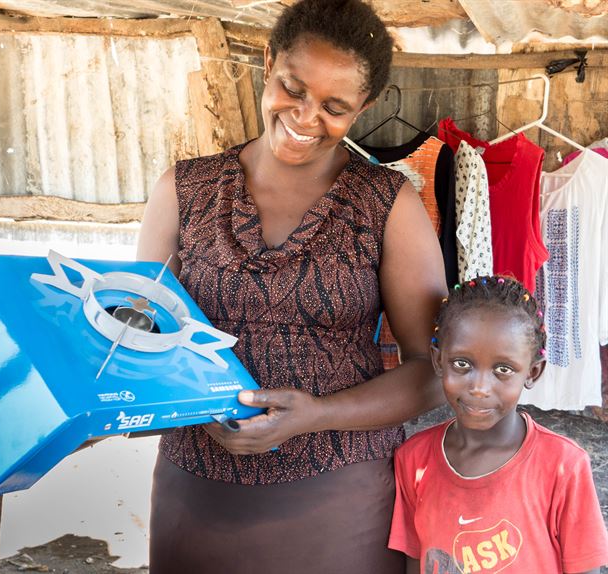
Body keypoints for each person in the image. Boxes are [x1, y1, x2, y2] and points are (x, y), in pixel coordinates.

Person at [137, 1, 447, 572]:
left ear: (365, 107)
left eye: (335, 106)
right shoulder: (183, 190)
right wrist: (190, 407)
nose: (306, 117)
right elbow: (141, 339)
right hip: (198, 490)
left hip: (341, 495)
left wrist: (316, 414)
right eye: (292, 88)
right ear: (266, 60)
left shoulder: (388, 205)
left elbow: (431, 372)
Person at [389, 276, 608, 573]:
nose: (479, 387)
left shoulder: (564, 466)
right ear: (438, 362)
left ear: (532, 372)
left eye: (503, 369)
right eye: (462, 364)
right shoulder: (413, 459)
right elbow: (415, 558)